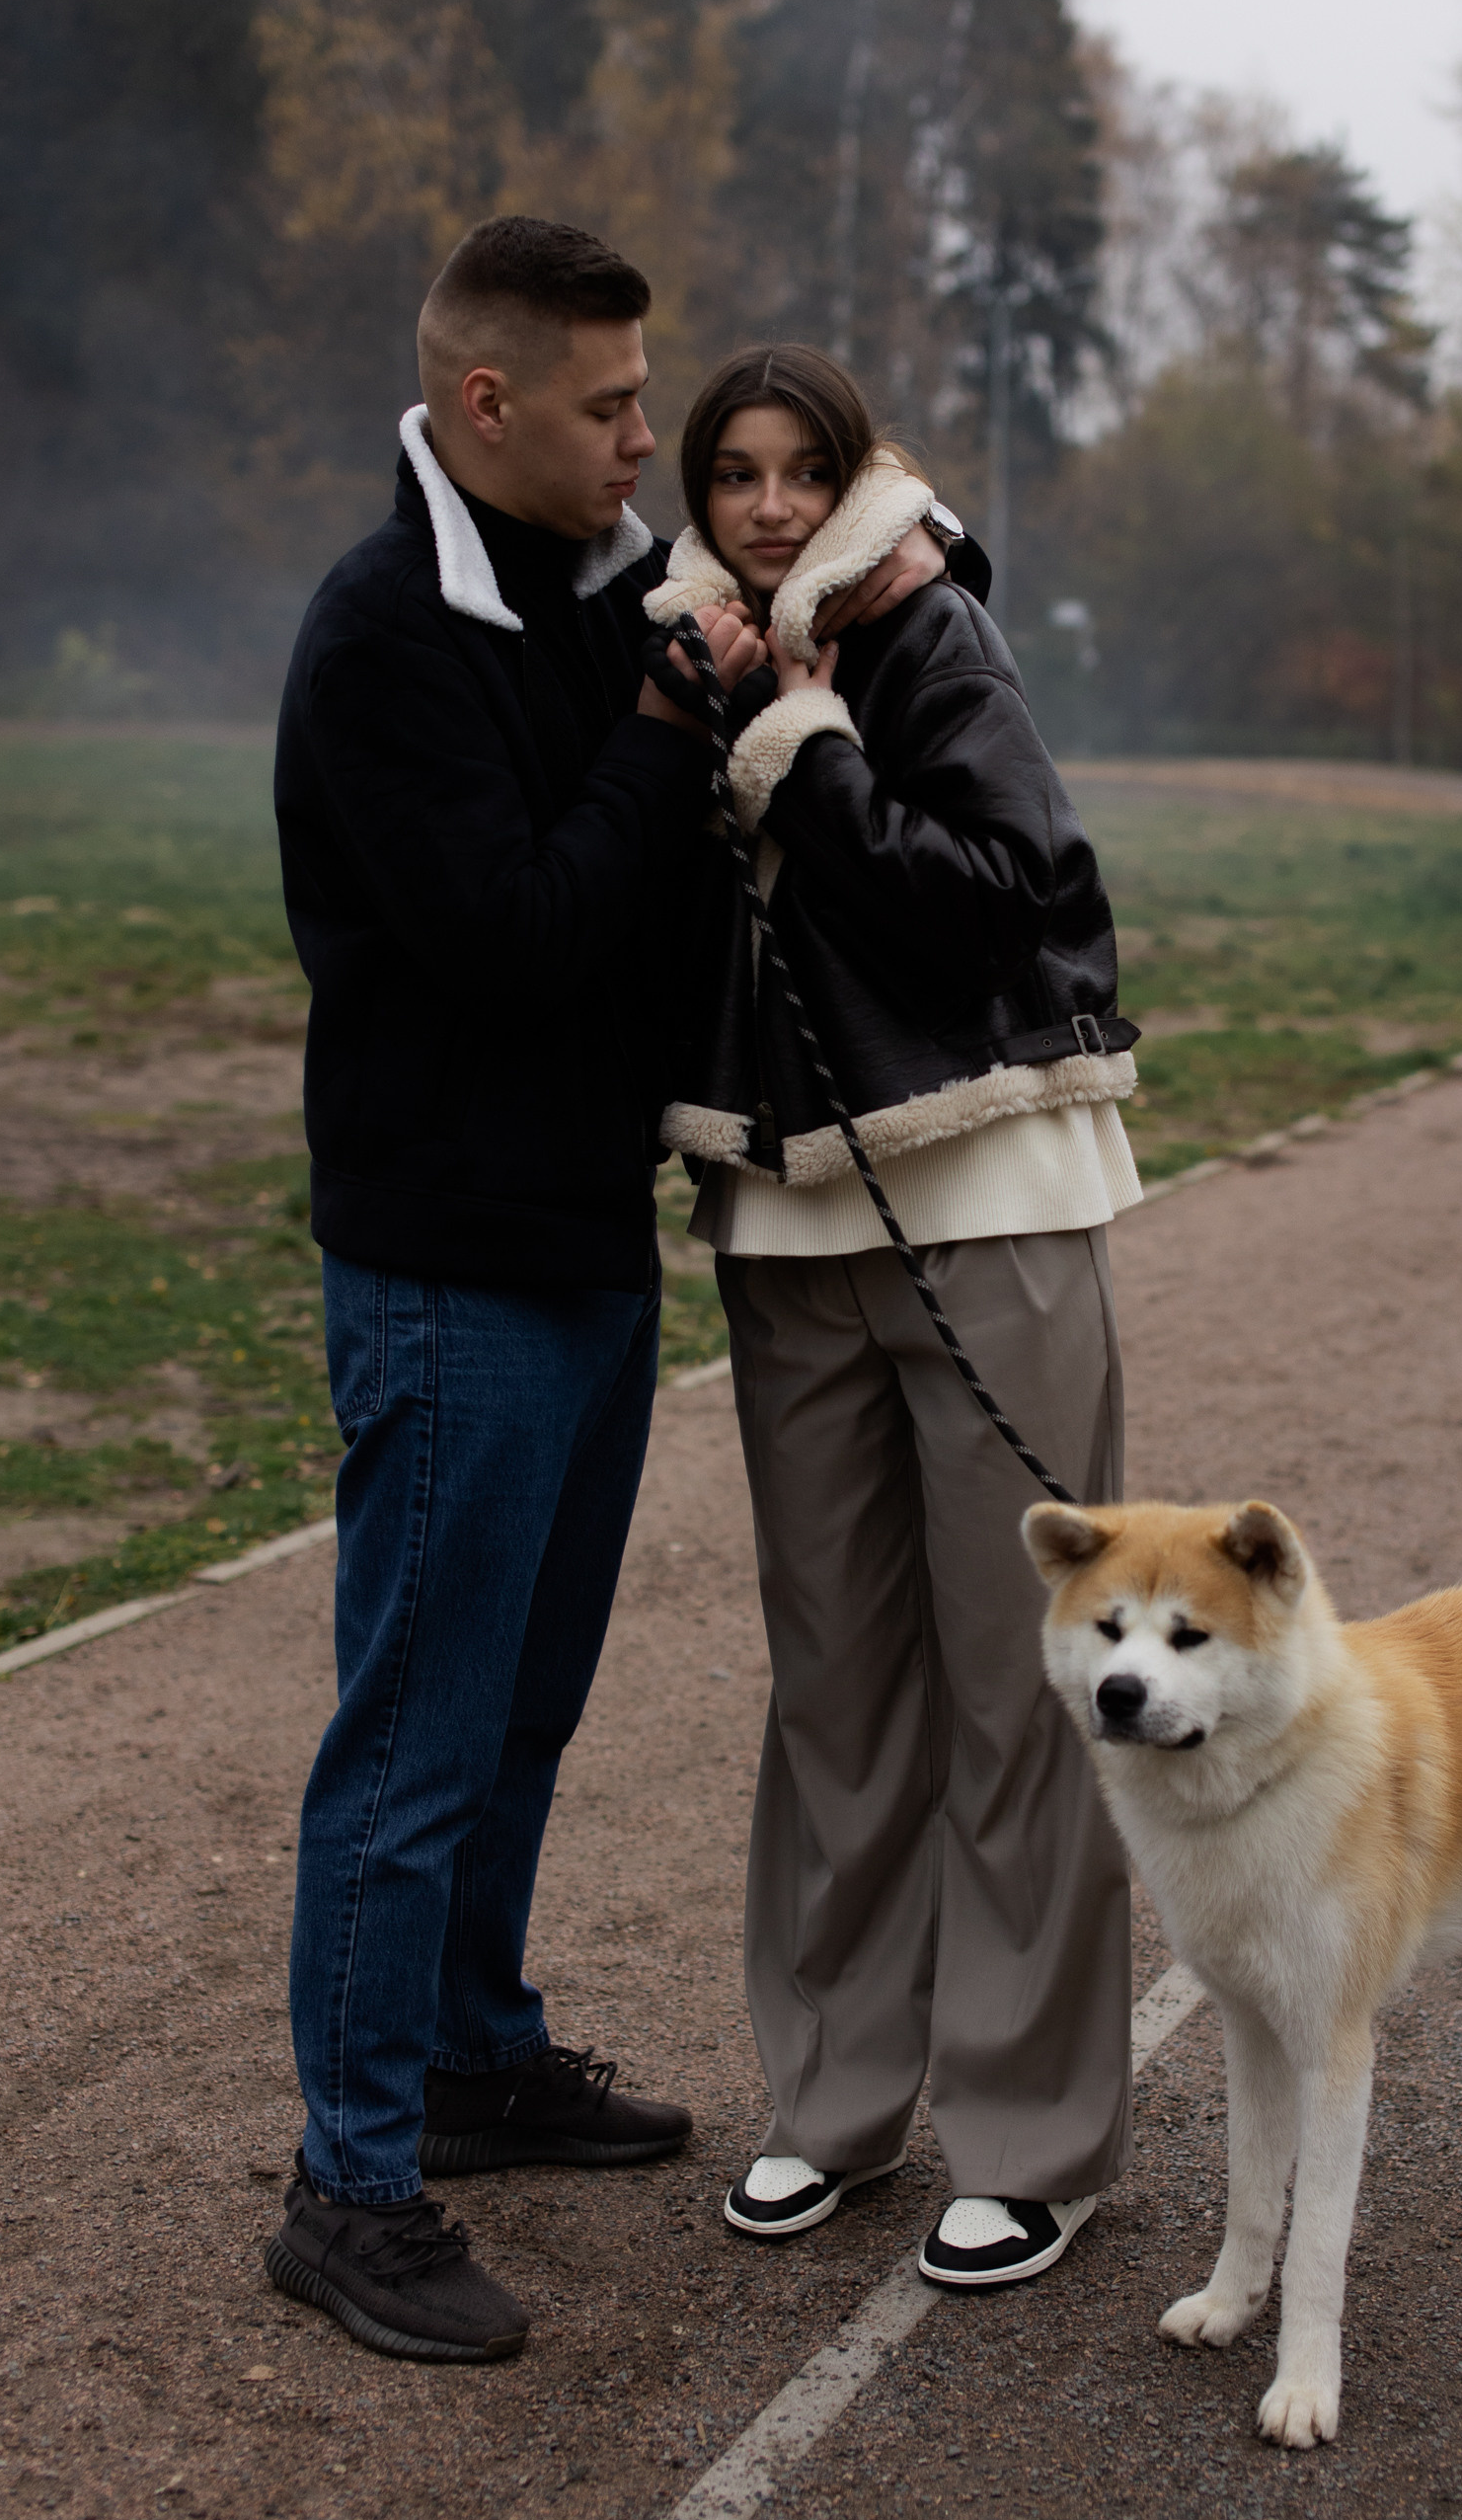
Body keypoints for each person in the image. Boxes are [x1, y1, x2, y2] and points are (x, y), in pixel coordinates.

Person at [267, 223, 955, 2362]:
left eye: (649, 403)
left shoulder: (572, 598)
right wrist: (674, 726)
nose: (647, 445)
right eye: (609, 409)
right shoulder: (389, 635)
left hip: (574, 1258)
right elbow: (531, 927)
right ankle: (349, 2189)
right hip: (448, 1274)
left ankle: (470, 2055)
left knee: (522, 1710)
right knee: (414, 1738)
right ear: (489, 409)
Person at [648, 343, 1143, 2289]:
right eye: (730, 475)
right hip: (788, 1232)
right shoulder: (691, 657)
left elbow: (1009, 890)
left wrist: (806, 755)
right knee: (837, 1694)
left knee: (1019, 1684)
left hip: (990, 1207)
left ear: (853, 480)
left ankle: (1029, 2135)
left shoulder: (922, 642)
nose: (766, 506)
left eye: (800, 471)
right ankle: (836, 2101)